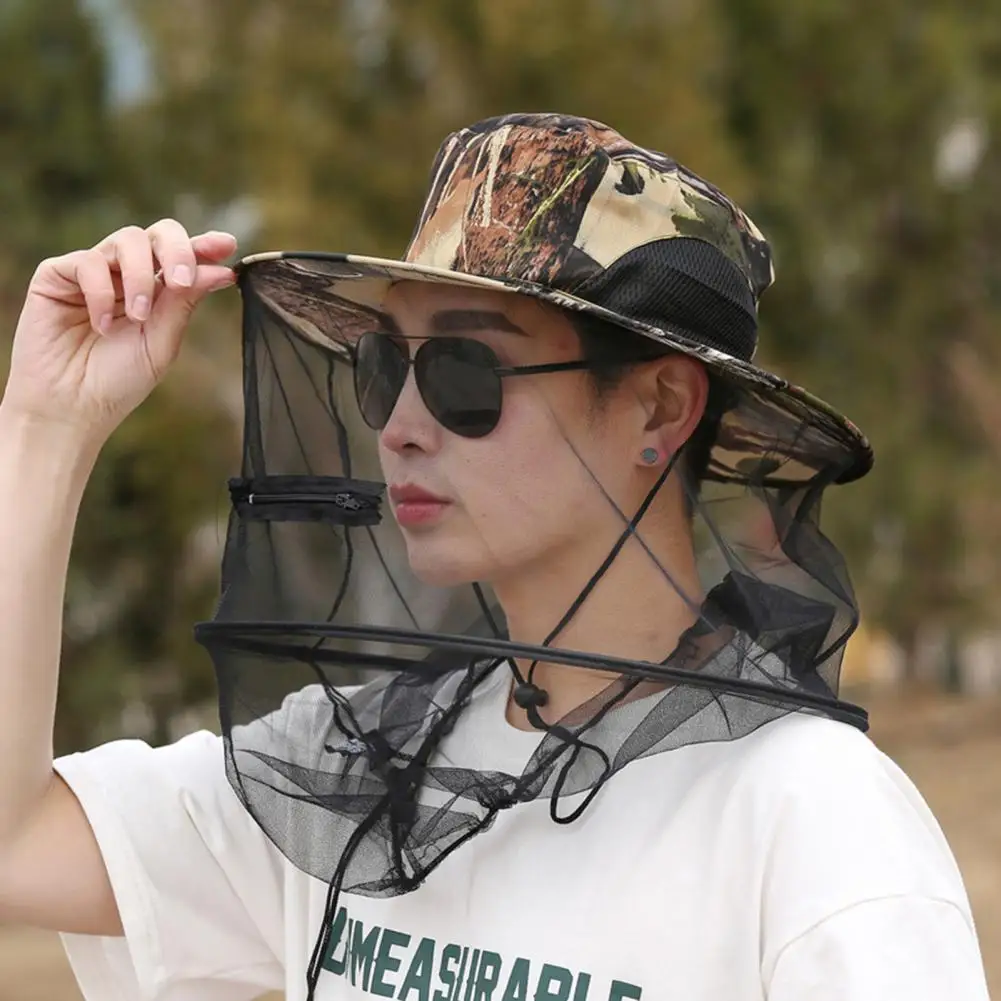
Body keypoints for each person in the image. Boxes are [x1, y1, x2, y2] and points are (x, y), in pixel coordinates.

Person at [0, 113, 990, 1001]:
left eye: (465, 371)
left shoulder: (812, 818)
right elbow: (15, 845)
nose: (402, 427)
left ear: (655, 407)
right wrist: (46, 426)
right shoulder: (355, 766)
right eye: (385, 369)